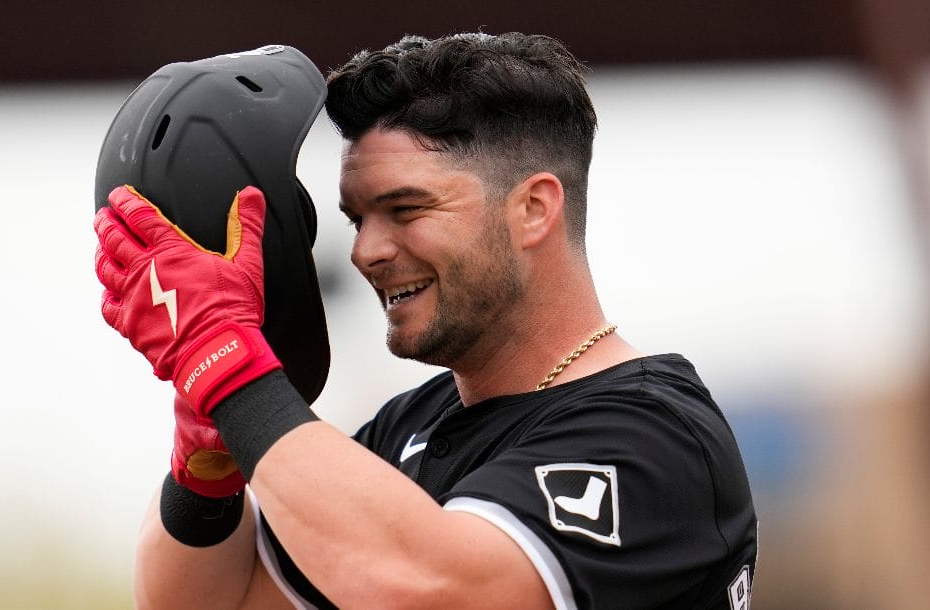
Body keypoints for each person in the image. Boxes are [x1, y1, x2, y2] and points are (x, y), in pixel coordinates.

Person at [94, 32, 758, 609]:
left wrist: (231, 369)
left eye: (405, 210)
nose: (365, 251)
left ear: (533, 209)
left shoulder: (655, 436)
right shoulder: (409, 427)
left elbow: (434, 593)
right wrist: (209, 453)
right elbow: (215, 602)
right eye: (357, 219)